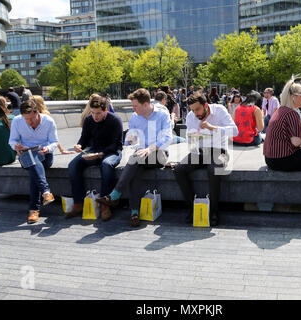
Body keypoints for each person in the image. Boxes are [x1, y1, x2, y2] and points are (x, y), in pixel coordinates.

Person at [96, 89, 172, 228]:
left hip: (159, 154)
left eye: (135, 106)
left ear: (145, 104)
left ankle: (115, 194)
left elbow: (167, 138)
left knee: (135, 159)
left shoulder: (162, 115)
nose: (133, 108)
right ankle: (134, 212)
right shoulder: (135, 117)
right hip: (141, 155)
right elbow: (131, 140)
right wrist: (129, 141)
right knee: (135, 170)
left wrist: (149, 149)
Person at [173, 92, 238, 227]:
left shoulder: (219, 110)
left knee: (213, 170)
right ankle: (193, 207)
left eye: (197, 109)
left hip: (219, 150)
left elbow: (235, 131)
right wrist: (192, 137)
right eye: (192, 110)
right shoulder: (191, 116)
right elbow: (191, 140)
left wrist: (212, 128)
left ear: (206, 105)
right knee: (179, 170)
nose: (195, 113)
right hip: (200, 151)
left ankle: (214, 211)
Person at [65, 96, 123, 220]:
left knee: (107, 165)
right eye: (92, 112)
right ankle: (78, 203)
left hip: (112, 151)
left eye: (98, 113)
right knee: (73, 165)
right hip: (94, 149)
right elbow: (84, 138)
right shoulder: (88, 119)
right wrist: (79, 145)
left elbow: (117, 144)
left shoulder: (115, 120)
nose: (95, 116)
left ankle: (105, 205)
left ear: (105, 111)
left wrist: (101, 154)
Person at [9, 99, 58, 224]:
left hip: (44, 155)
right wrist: (16, 146)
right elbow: (12, 141)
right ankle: (46, 192)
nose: (30, 122)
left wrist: (48, 148)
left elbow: (54, 142)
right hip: (26, 155)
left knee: (33, 168)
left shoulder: (48, 121)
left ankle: (34, 209)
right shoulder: (17, 121)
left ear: (38, 113)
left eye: (32, 118)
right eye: (26, 119)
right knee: (30, 158)